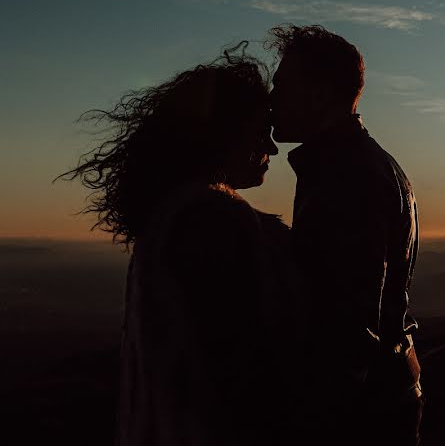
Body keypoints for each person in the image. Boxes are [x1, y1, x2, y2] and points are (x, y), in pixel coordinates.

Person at [58, 45, 296, 445]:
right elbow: (235, 369)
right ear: (222, 136)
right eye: (260, 133)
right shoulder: (213, 220)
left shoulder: (173, 213)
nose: (272, 150)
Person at [268, 24, 425, 445]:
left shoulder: (345, 177)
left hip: (363, 412)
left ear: (319, 95)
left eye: (281, 86)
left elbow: (349, 328)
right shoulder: (366, 164)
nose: (271, 101)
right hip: (385, 396)